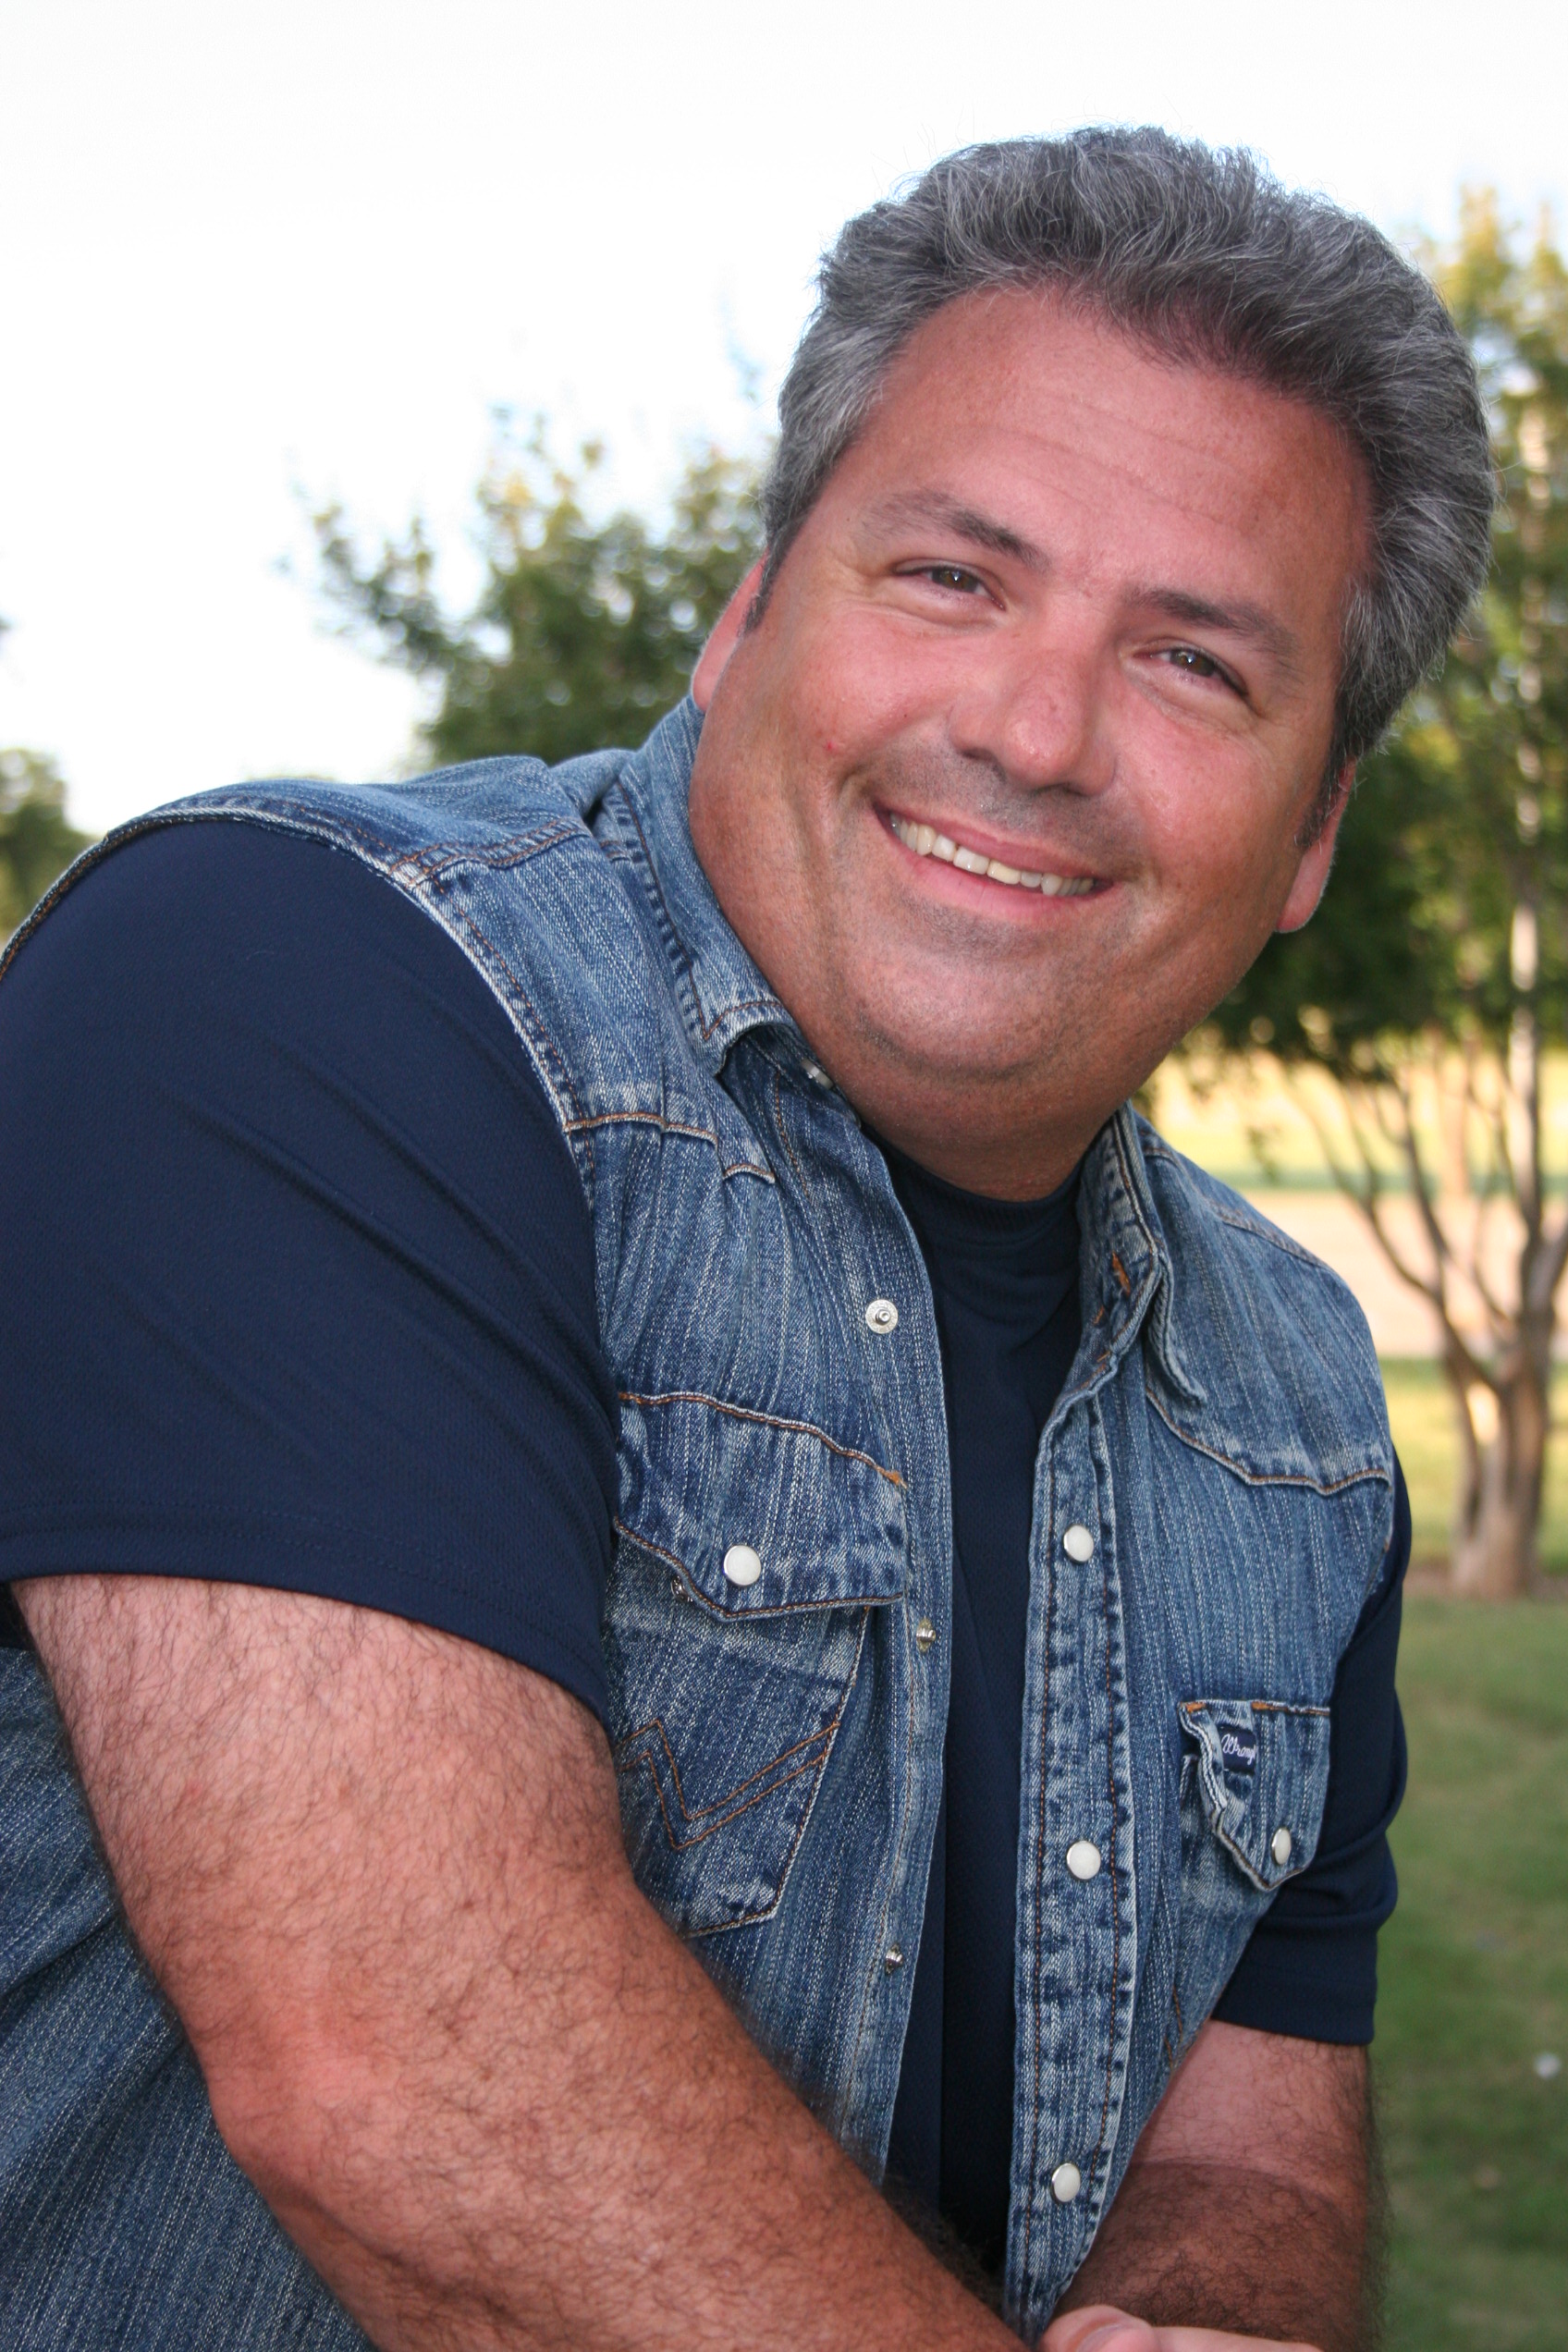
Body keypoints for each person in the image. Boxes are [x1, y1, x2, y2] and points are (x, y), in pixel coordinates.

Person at [0, 129, 1490, 2352]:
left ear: (1307, 835)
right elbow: (408, 2082)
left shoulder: (1288, 1401)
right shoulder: (291, 987)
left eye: (1192, 663)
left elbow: (1251, 2151)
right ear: (743, 617)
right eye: (951, 578)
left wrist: (1208, 2306)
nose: (1032, 731)